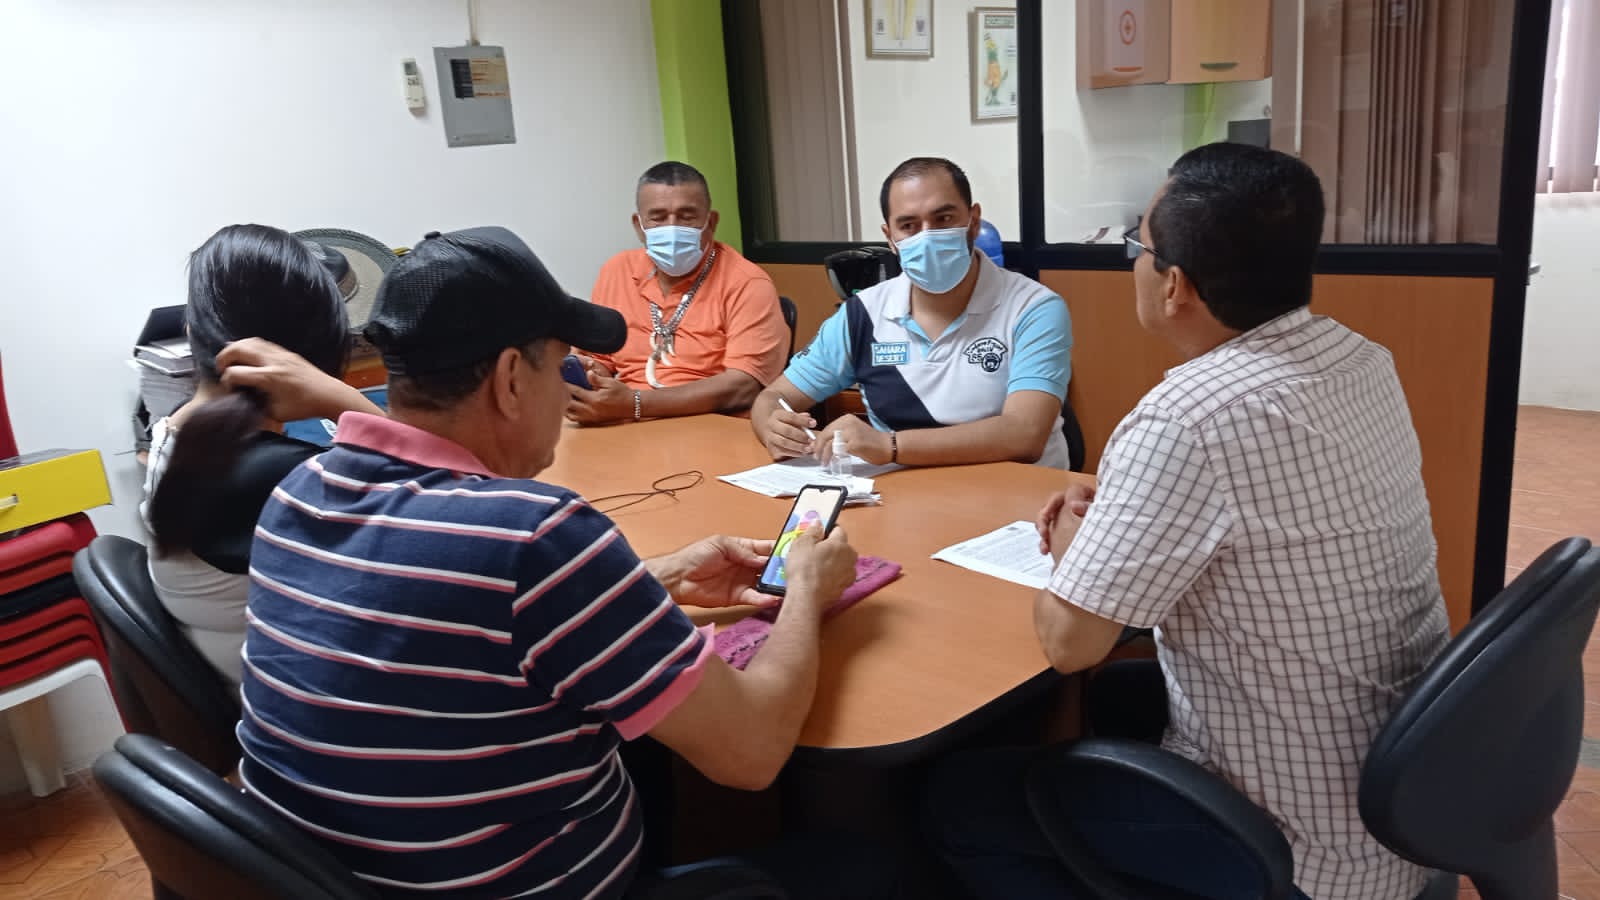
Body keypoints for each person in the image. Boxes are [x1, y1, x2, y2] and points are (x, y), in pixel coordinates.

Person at [235, 226, 892, 899]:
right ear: (511, 380)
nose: (569, 389)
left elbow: (451, 616)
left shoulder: (296, 494)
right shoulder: (535, 535)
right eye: (562, 369)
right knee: (870, 868)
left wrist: (652, 579)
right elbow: (751, 753)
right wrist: (806, 589)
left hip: (345, 878)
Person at [924, 143, 1450, 900]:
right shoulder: (1362, 359)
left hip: (1296, 846)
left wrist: (1073, 549)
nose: (1134, 263)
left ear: (1174, 286)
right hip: (1402, 801)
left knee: (956, 799)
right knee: (1114, 700)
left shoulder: (1187, 416)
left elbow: (1070, 645)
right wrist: (1135, 506)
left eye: (1137, 248)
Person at [138, 224, 380, 687]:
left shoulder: (174, 433)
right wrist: (343, 399)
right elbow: (455, 517)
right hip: (304, 697)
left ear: (192, 333)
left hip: (250, 674)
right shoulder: (279, 477)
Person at [751, 157, 1073, 469]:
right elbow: (774, 396)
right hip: (903, 493)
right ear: (890, 238)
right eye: (908, 226)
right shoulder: (862, 314)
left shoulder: (1033, 308)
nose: (927, 236)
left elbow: (1025, 434)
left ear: (973, 222)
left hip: (1016, 494)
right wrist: (772, 427)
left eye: (943, 219)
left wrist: (890, 446)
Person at [568, 161, 790, 425]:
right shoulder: (617, 271)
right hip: (626, 426)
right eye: (658, 217)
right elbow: (599, 359)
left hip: (713, 427)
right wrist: (590, 379)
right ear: (639, 225)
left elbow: (743, 387)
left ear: (711, 222)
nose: (672, 228)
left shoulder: (748, 283)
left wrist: (635, 404)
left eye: (687, 217)